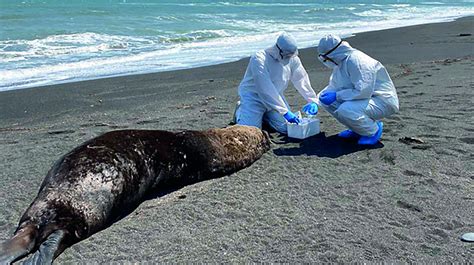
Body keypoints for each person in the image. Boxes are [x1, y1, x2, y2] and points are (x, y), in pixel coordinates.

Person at [316, 34, 399, 145]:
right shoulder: (341, 63)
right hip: (365, 98)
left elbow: (363, 91)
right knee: (326, 102)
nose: (325, 61)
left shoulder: (358, 61)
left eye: (325, 58)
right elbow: (334, 86)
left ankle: (372, 131)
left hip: (382, 100)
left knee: (346, 110)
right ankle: (358, 129)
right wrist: (316, 101)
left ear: (332, 54)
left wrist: (337, 96)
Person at [235, 33, 319, 134]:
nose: (288, 58)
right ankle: (240, 111)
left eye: (291, 55)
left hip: (277, 97)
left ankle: (266, 116)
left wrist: (312, 100)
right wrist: (285, 112)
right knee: (250, 131)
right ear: (278, 49)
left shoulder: (292, 58)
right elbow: (265, 89)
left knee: (287, 128)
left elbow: (301, 78)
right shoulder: (259, 59)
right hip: (254, 97)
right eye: (286, 55)